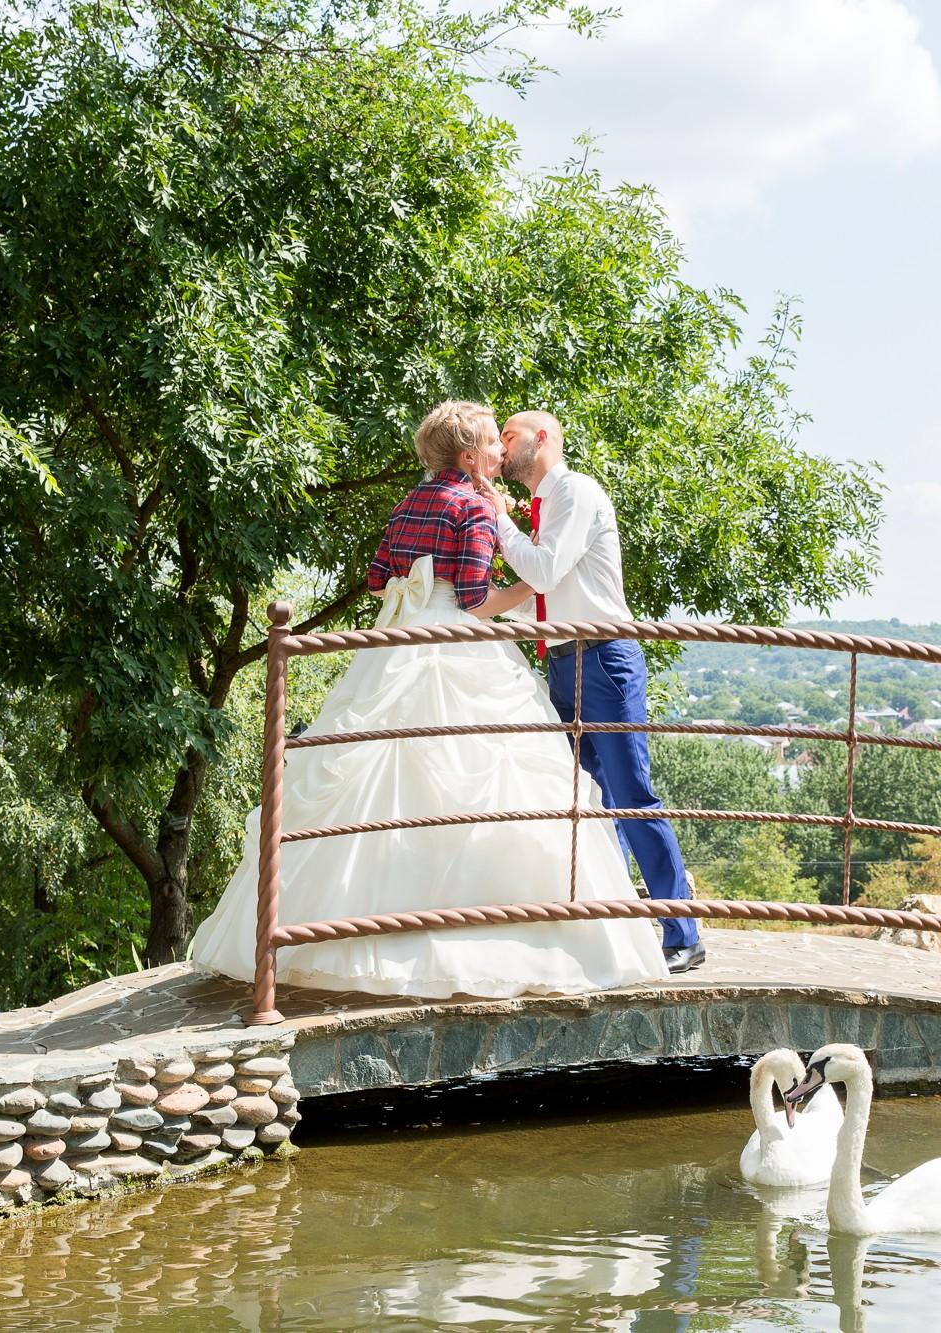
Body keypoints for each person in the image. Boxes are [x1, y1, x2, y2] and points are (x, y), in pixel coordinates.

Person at [190, 400, 666, 998]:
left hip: (398, 641)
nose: (500, 452)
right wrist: (526, 590)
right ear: (468, 456)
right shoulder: (474, 506)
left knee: (370, 769)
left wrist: (418, 591)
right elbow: (473, 600)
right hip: (457, 643)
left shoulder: (406, 504)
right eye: (492, 442)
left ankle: (323, 934)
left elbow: (378, 578)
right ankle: (523, 929)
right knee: (496, 781)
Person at [480, 410, 705, 974]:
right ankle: (613, 929)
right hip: (563, 663)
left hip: (603, 659)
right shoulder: (547, 507)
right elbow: (544, 590)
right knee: (581, 801)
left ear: (543, 439)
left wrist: (499, 520)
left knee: (631, 796)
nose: (502, 446)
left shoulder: (575, 492)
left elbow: (545, 572)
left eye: (510, 435)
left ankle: (683, 933)